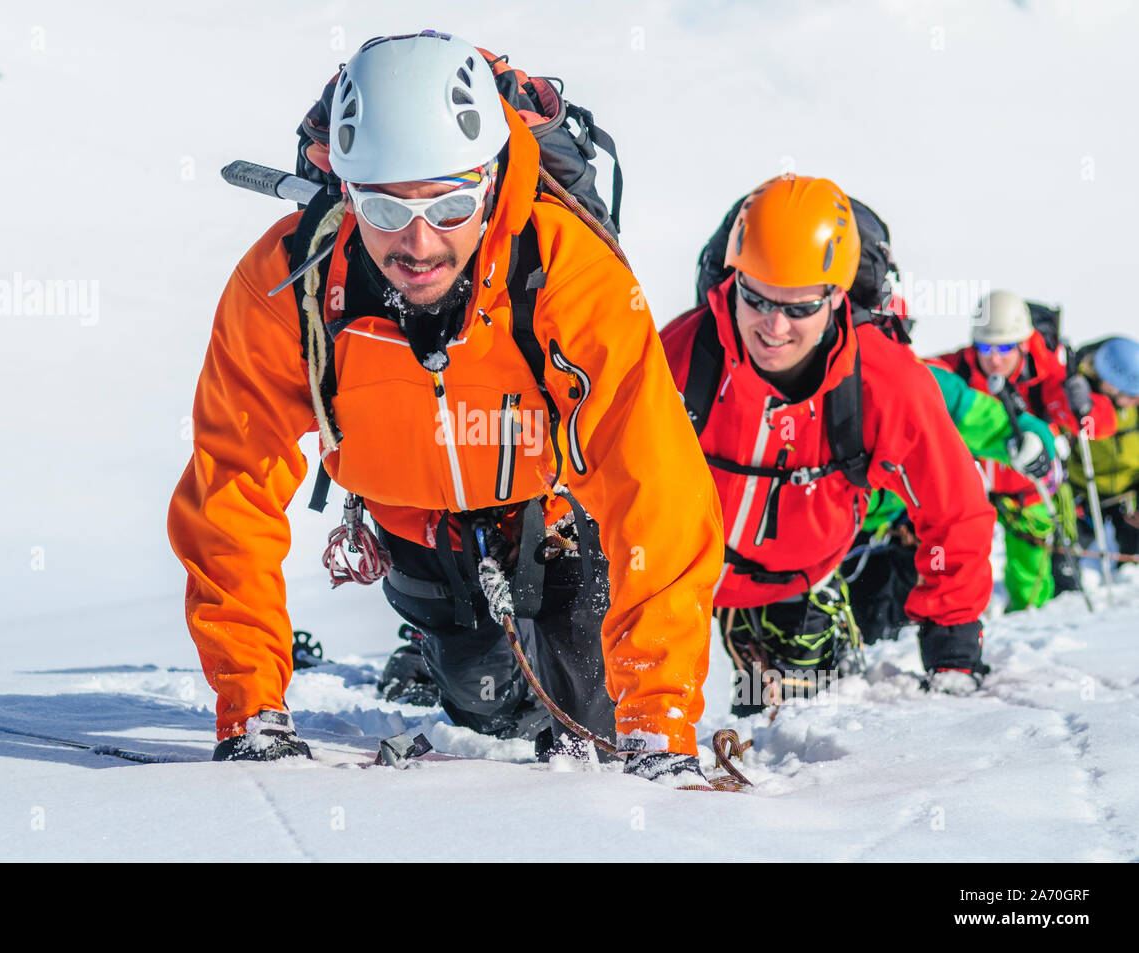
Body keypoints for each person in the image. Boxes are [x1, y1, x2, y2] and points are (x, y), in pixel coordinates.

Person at [167, 31, 725, 786]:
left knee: (593, 725)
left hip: (555, 524)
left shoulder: (565, 273)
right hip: (416, 527)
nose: (419, 243)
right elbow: (231, 484)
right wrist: (250, 706)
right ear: (346, 191)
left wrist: (660, 721)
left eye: (451, 206)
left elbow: (653, 484)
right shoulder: (286, 288)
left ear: (492, 182)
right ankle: (445, 661)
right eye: (385, 209)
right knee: (486, 707)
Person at [660, 174, 996, 708]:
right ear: (734, 279)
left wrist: (951, 641)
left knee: (800, 731)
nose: (774, 326)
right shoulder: (685, 353)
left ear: (837, 298)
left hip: (800, 580)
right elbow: (605, 469)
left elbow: (954, 507)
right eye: (756, 297)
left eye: (799, 308)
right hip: (674, 580)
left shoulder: (885, 381)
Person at [847, 347, 1061, 644]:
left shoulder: (921, 380)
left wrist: (1031, 438)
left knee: (879, 626)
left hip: (889, 528)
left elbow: (985, 419)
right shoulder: (790, 373)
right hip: (817, 533)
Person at [934, 292, 1116, 609]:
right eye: (985, 347)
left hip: (1029, 493)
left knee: (1029, 579)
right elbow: (922, 379)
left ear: (1022, 343)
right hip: (973, 492)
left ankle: (1030, 631)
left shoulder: (1046, 375)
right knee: (960, 571)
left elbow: (1098, 427)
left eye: (1004, 348)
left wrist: (1084, 408)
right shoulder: (957, 371)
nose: (994, 358)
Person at [1065, 336, 1139, 557]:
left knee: (1133, 544)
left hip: (1129, 490)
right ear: (1110, 386)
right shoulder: (1076, 395)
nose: (1136, 400)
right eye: (1131, 395)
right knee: (1069, 553)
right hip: (1084, 490)